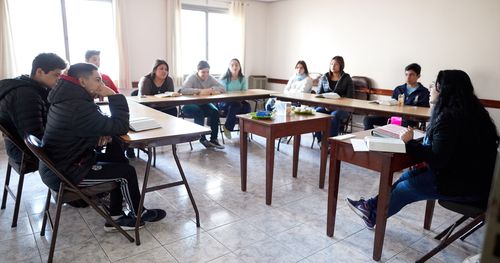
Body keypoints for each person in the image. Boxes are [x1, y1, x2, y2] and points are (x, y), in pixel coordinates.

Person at [347, 70, 499, 229]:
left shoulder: (450, 118)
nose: (431, 88)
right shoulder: (474, 112)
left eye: (435, 85)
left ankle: (373, 215)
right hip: (478, 181)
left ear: (444, 91)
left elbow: (437, 159)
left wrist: (409, 142)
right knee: (406, 176)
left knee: (405, 189)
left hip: (466, 185)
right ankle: (370, 207)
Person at [39, 63, 166, 231]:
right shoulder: (77, 106)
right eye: (98, 80)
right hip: (66, 172)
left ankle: (116, 215)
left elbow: (86, 126)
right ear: (82, 82)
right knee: (126, 172)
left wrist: (99, 131)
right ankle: (136, 215)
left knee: (117, 154)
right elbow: (120, 126)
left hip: (68, 161)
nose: (102, 85)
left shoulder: (69, 99)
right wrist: (114, 95)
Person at [0, 53, 66, 164]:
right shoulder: (26, 95)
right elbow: (35, 138)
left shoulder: (27, 84)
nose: (59, 79)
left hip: (20, 145)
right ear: (39, 72)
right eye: (56, 75)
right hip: (26, 150)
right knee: (80, 141)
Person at [363, 63, 430, 130]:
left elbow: (424, 111)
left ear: (418, 76)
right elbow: (392, 104)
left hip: (409, 120)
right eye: (406, 74)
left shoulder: (423, 92)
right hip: (393, 117)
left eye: (411, 75)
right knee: (367, 119)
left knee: (400, 125)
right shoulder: (399, 89)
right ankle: (371, 138)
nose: (408, 77)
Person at [179, 61, 225, 149]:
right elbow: (183, 90)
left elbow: (222, 88)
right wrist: (199, 91)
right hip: (189, 105)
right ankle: (202, 138)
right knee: (198, 111)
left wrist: (211, 89)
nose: (206, 74)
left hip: (203, 104)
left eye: (207, 72)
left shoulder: (210, 78)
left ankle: (214, 139)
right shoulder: (192, 77)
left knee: (215, 111)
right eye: (203, 72)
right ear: (198, 71)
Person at [314, 56, 354, 141]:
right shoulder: (324, 77)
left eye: (336, 64)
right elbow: (318, 94)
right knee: (317, 112)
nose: (333, 66)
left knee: (334, 115)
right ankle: (320, 140)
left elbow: (350, 97)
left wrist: (336, 104)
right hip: (326, 106)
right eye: (331, 64)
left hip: (342, 108)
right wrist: (324, 105)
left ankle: (331, 142)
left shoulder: (346, 78)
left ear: (341, 66)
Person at [218, 58, 251, 139]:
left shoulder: (242, 78)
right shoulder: (225, 78)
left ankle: (245, 130)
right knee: (235, 105)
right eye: (232, 65)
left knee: (247, 106)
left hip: (239, 101)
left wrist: (239, 98)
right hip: (225, 103)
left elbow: (244, 92)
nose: (234, 67)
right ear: (229, 67)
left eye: (236, 65)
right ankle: (227, 128)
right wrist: (236, 98)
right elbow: (224, 93)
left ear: (239, 67)